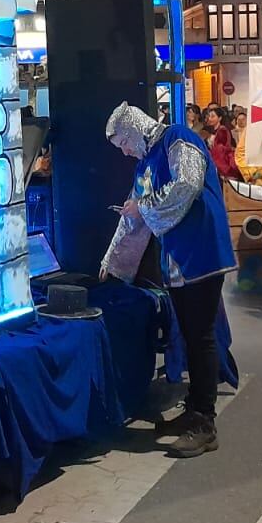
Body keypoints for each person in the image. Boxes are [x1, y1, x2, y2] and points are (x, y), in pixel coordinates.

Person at [102, 101, 235, 459]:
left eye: (124, 144)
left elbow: (187, 185)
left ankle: (204, 423)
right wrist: (112, 263)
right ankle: (195, 409)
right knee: (192, 337)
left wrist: (142, 207)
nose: (126, 152)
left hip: (202, 252)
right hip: (178, 259)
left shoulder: (179, 138)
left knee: (202, 337)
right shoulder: (146, 162)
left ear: (133, 130)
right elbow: (134, 216)